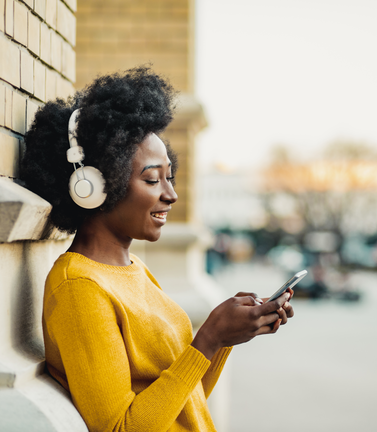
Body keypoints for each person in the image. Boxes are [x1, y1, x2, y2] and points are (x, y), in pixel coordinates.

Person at [20, 66, 294, 432]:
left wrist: (225, 339)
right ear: (92, 185)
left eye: (170, 176)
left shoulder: (131, 268)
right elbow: (120, 427)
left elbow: (183, 402)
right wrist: (208, 338)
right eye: (152, 179)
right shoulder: (79, 288)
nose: (171, 194)